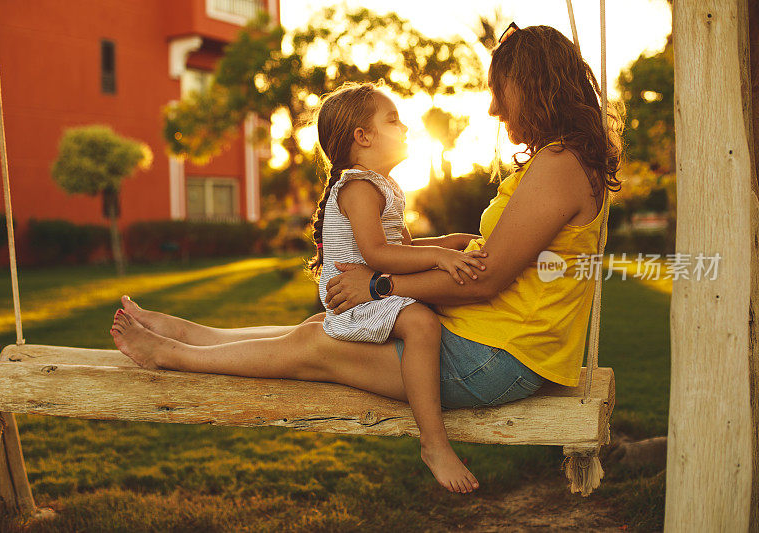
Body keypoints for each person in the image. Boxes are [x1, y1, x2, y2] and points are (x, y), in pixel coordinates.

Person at [110, 23, 623, 496]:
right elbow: (489, 261)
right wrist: (443, 252)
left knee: (316, 343)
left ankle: (171, 356)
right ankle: (184, 332)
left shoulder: (559, 165)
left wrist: (378, 287)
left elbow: (483, 281)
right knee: (319, 328)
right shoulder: (562, 159)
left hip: (497, 357)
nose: (493, 110)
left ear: (534, 86)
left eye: (498, 93)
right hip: (493, 341)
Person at [305, 81, 488, 493]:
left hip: (369, 285)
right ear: (363, 137)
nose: (405, 127)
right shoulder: (359, 187)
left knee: (435, 303)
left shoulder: (380, 185)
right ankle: (434, 442)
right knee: (422, 323)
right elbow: (378, 254)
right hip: (352, 297)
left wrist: (446, 243)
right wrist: (439, 258)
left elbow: (400, 247)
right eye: (393, 119)